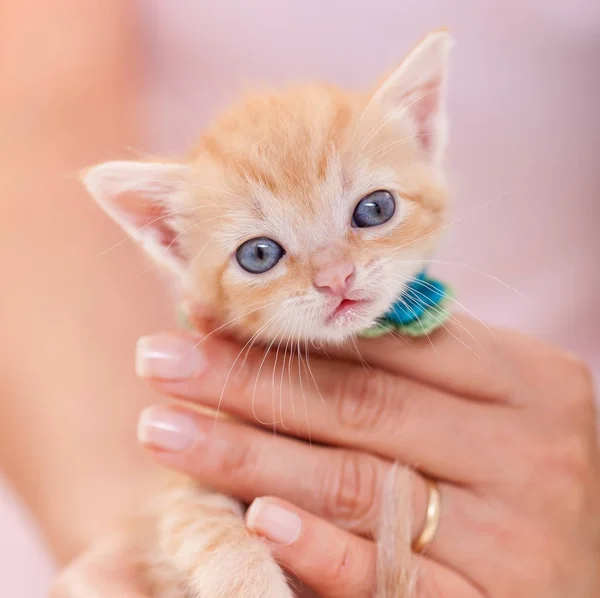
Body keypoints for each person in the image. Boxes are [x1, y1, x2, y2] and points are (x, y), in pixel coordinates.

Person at [0, 1, 598, 597]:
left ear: (423, 133)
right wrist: (132, 536)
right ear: (174, 244)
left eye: (372, 211)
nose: (335, 276)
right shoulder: (233, 397)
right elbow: (33, 118)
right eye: (262, 254)